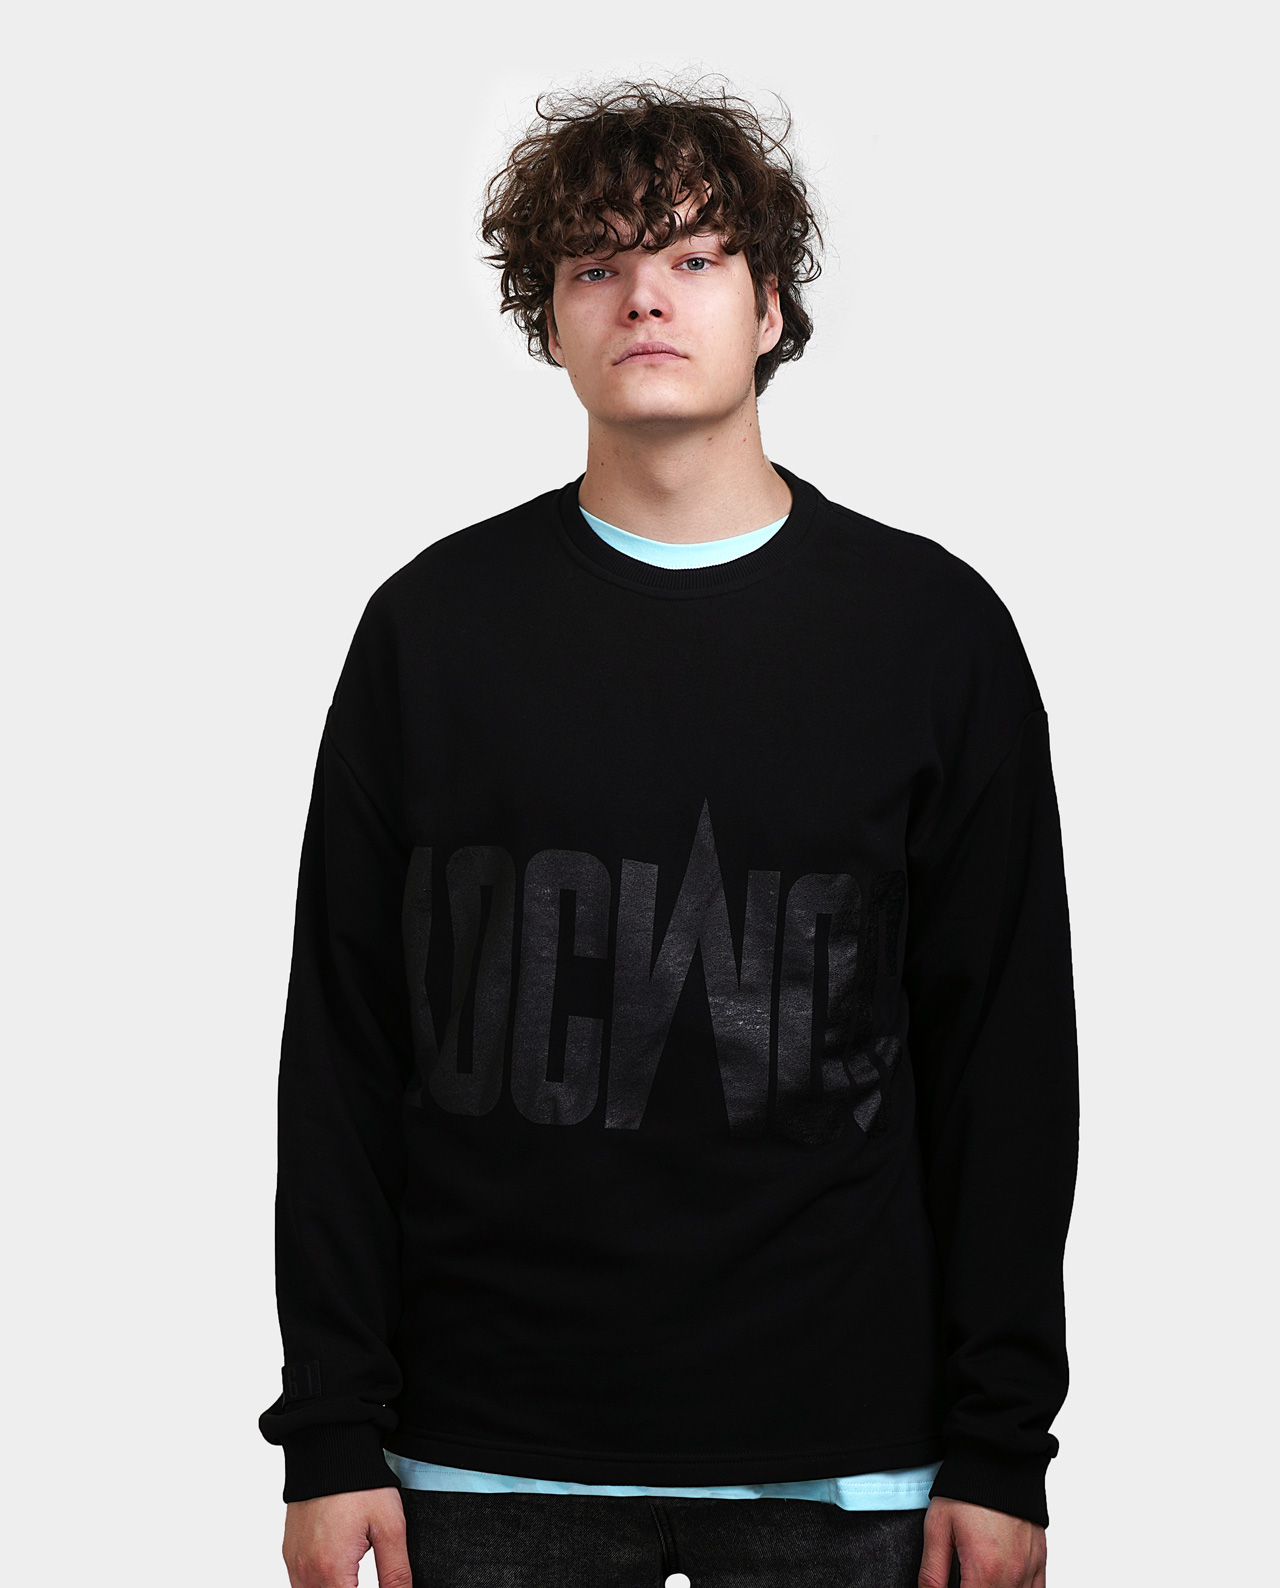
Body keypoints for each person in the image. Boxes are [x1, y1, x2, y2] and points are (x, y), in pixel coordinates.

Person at [259, 79, 1079, 1588]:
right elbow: (344, 1051)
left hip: (851, 1455)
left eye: (695, 257)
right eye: (597, 264)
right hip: (484, 1450)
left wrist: (1000, 1446)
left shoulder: (931, 633)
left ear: (770, 309)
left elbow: (1006, 1064)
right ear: (551, 320)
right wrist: (328, 1432)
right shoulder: (432, 631)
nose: (645, 295)